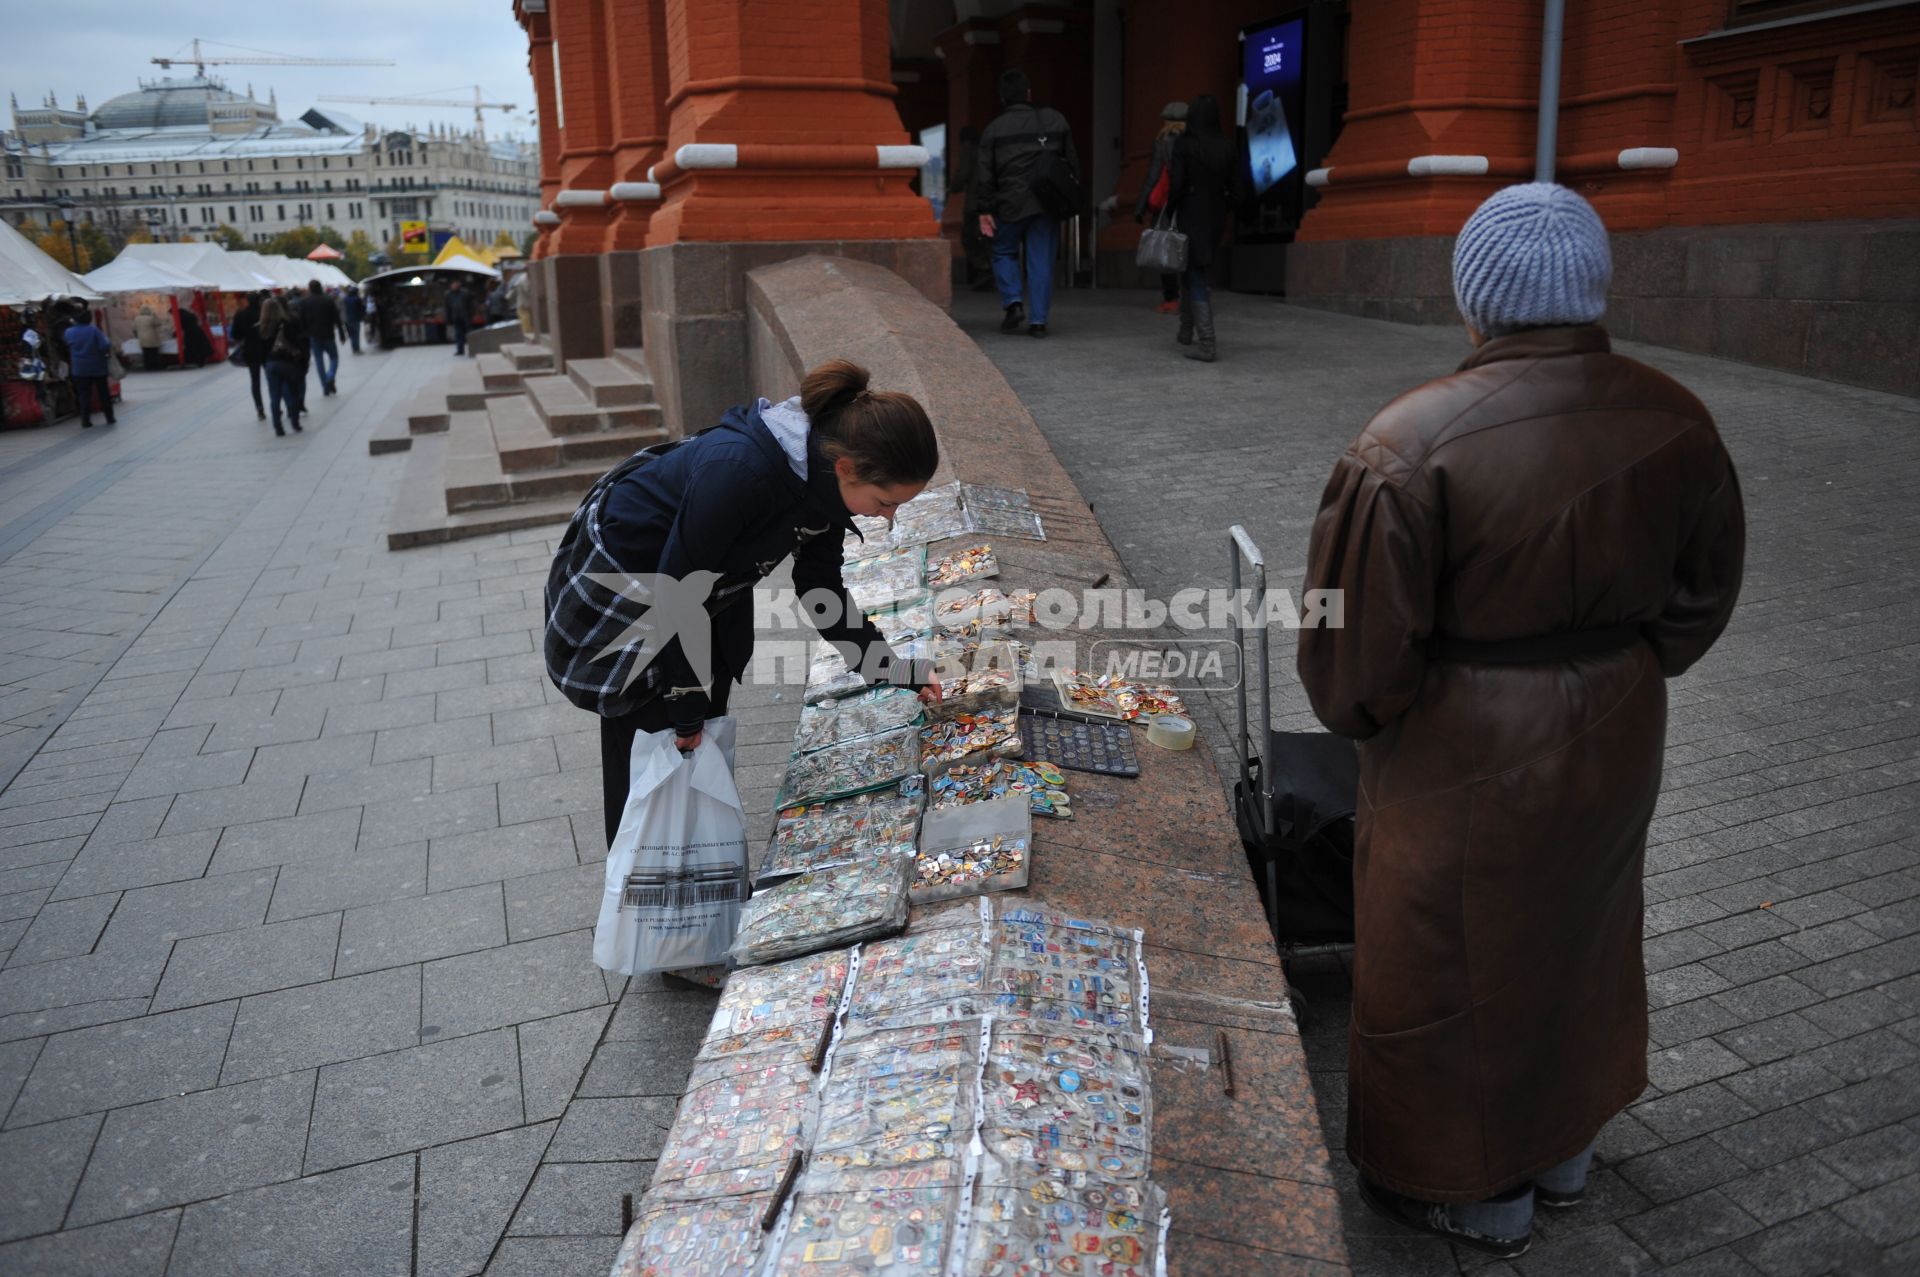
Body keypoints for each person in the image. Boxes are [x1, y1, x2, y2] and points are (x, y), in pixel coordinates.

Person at [1296, 183, 1746, 1259]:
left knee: (1444, 959)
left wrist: (1371, 714)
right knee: (1575, 936)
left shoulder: (1403, 439)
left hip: (1463, 737)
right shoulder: (1676, 413)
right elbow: (1705, 589)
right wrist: (1624, 663)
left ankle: (1471, 1187)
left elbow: (1345, 643)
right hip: (1619, 713)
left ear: (1477, 302)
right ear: (1590, 287)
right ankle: (1564, 1149)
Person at [567, 359, 944, 849]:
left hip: (700, 607)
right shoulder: (740, 471)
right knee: (649, 775)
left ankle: (704, 893)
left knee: (696, 761)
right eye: (884, 502)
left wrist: (893, 669)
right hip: (630, 613)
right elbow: (677, 591)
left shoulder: (822, 478)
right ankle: (639, 905)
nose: (887, 518)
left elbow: (820, 587)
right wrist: (685, 703)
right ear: (847, 468)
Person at [974, 69, 1079, 339]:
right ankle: (1038, 322)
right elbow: (1072, 164)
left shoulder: (993, 130)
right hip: (1046, 202)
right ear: (1029, 93)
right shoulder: (1055, 120)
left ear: (1002, 98)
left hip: (1009, 203)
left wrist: (984, 208)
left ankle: (1013, 302)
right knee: (1041, 259)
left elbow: (984, 174)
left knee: (1003, 252)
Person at [1166, 94, 1234, 363]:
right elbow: (1237, 190)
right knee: (1194, 268)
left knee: (1194, 274)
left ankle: (1207, 343)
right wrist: (1221, 207)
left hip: (1190, 212)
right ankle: (1185, 330)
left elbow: (1176, 184)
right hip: (1216, 214)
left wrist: (1170, 211)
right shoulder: (1228, 147)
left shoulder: (1184, 145)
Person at [1133, 102, 1187, 315]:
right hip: (1188, 202)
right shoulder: (1194, 140)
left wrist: (1140, 206)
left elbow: (1153, 174)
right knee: (1188, 247)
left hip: (1166, 202)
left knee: (1167, 248)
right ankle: (1193, 294)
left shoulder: (1163, 141)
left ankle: (1171, 298)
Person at [257, 294, 307, 436]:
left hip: (270, 364)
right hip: (288, 362)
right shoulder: (287, 323)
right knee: (291, 393)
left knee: (275, 397)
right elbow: (298, 343)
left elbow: (261, 351)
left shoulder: (263, 328)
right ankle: (295, 423)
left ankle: (278, 427)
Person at [63, 303, 115, 428]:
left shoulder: (69, 332)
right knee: (103, 394)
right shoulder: (93, 330)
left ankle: (85, 420)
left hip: (79, 368)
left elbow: (66, 345)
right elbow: (104, 345)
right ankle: (109, 417)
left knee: (84, 395)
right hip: (97, 367)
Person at [297, 281, 344, 396]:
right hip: (328, 334)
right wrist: (342, 333)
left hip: (314, 336)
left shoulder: (304, 302)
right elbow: (336, 318)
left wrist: (304, 336)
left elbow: (301, 321)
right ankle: (330, 376)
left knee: (319, 361)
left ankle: (325, 386)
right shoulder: (328, 300)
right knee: (334, 358)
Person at [230, 291, 267, 420]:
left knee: (255, 381)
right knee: (272, 379)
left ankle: (259, 408)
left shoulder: (240, 315)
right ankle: (277, 405)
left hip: (250, 350)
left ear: (247, 300)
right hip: (266, 348)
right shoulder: (264, 313)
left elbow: (235, 335)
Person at [133, 303, 166, 371]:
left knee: (146, 353)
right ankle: (155, 366)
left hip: (142, 338)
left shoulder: (137, 318)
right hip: (152, 338)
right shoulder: (151, 317)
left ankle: (147, 366)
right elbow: (158, 323)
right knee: (154, 352)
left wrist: (137, 336)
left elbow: (134, 329)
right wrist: (155, 315)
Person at [446, 279, 473, 356]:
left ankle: (471, 348)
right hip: (456, 317)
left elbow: (471, 306)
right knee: (458, 334)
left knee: (469, 334)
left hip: (466, 317)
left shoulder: (465, 293)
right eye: (453, 284)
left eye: (456, 284)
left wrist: (470, 315)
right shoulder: (449, 295)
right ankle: (460, 350)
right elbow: (448, 308)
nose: (454, 286)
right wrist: (449, 318)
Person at [341, 286, 365, 355]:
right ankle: (357, 349)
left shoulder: (345, 299)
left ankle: (354, 349)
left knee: (351, 335)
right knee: (356, 335)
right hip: (356, 319)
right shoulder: (357, 299)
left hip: (348, 319)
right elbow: (361, 308)